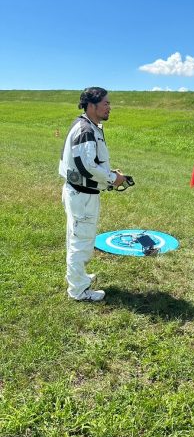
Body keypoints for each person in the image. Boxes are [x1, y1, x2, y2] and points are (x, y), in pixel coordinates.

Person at [59, 88, 127, 301]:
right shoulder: (86, 130)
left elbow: (89, 162)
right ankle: (78, 290)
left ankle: (78, 279)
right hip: (82, 196)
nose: (109, 107)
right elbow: (86, 165)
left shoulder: (87, 126)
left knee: (76, 238)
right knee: (81, 242)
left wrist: (110, 173)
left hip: (78, 192)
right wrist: (112, 179)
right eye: (105, 103)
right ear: (91, 105)